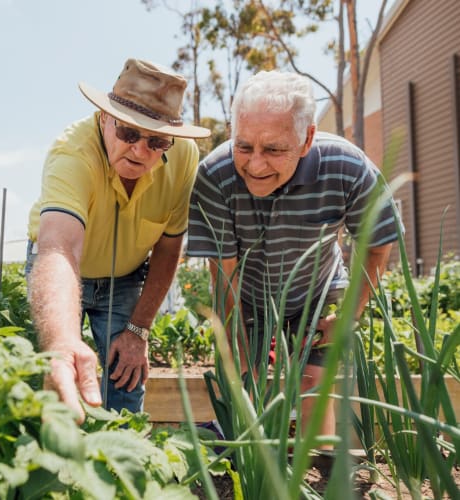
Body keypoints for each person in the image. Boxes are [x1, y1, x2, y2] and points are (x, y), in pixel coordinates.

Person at [186, 69, 402, 448]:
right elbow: (225, 278)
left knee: (313, 397)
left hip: (319, 290)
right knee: (244, 395)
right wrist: (237, 350)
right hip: (249, 294)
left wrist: (349, 314)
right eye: (244, 146)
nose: (254, 165)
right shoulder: (216, 176)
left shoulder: (347, 168)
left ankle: (319, 463)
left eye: (273, 149)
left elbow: (378, 244)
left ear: (307, 140)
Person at [26, 58, 210, 423]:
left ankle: (121, 461)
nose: (140, 151)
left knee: (126, 378)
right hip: (65, 272)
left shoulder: (184, 158)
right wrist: (62, 342)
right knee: (51, 372)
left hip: (124, 277)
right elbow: (59, 249)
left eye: (156, 141)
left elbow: (169, 247)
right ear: (103, 119)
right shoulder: (72, 154)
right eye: (128, 134)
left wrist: (138, 330)